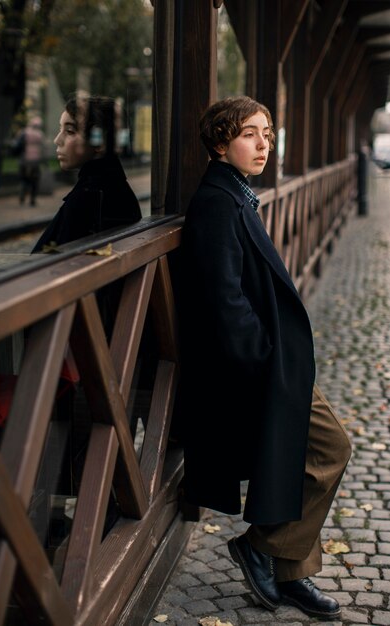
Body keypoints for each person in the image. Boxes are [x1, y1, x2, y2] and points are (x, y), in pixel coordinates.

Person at [177, 96, 352, 619]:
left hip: (272, 363)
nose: (263, 145)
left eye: (267, 134)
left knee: (325, 449)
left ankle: (286, 567)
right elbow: (224, 301)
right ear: (219, 143)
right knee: (331, 447)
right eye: (250, 134)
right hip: (258, 369)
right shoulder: (216, 203)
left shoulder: (235, 194)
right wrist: (266, 362)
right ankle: (263, 548)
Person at [32, 94, 142, 252]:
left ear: (100, 142)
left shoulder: (87, 199)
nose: (57, 139)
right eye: (60, 129)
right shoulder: (116, 190)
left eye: (69, 131)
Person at [16, 116, 46, 206]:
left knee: (23, 179)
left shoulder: (24, 132)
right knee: (34, 181)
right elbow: (44, 148)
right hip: (35, 161)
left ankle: (22, 195)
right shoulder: (40, 134)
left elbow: (18, 144)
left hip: (24, 160)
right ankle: (32, 199)